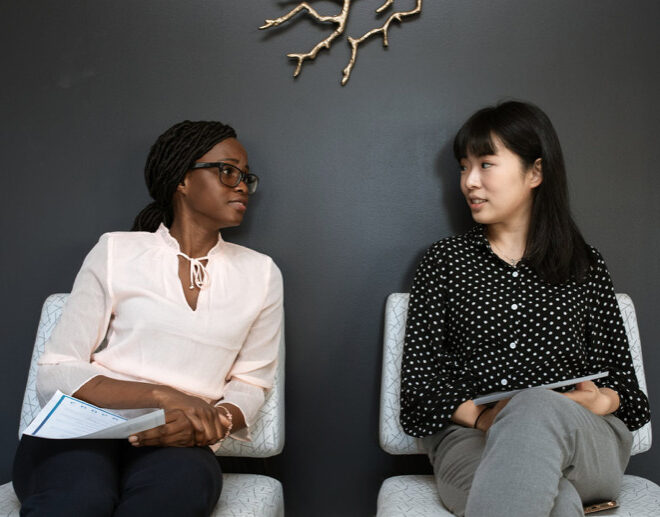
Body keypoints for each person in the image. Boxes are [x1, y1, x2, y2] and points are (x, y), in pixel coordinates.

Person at [12, 120, 283, 517]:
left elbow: (252, 382)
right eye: (227, 171)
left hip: (180, 443)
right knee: (77, 502)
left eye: (246, 176)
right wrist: (163, 395)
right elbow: (55, 373)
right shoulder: (116, 251)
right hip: (81, 431)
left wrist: (216, 420)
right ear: (182, 180)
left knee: (165, 504)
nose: (241, 185)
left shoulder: (261, 273)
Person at [399, 101, 650, 517]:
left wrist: (594, 404)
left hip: (586, 441)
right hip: (471, 442)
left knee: (534, 405)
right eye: (464, 167)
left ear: (535, 172)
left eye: (486, 164)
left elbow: (629, 391)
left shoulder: (585, 264)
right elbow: (418, 394)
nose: (469, 182)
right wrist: (485, 420)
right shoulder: (443, 263)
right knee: (557, 502)